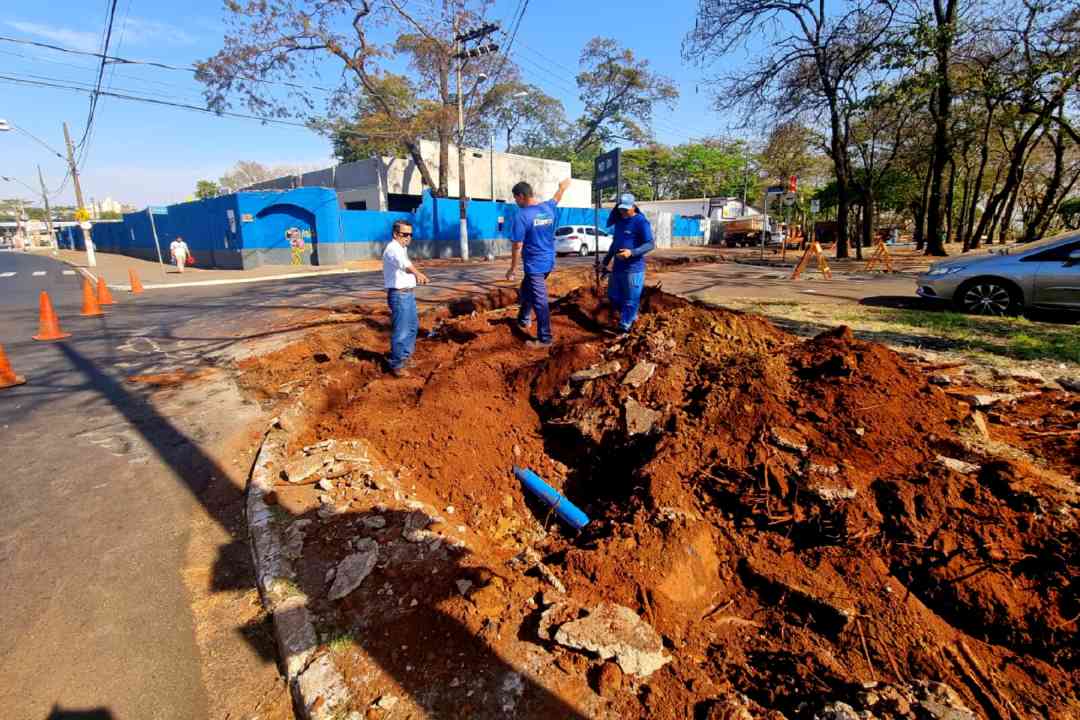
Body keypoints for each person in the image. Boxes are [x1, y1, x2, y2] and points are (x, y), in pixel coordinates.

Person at [506, 177, 572, 348]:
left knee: (540, 300)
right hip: (549, 261)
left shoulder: (522, 216)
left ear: (521, 196)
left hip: (535, 265)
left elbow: (517, 245)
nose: (516, 202)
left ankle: (545, 338)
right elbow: (556, 198)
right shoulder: (546, 207)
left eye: (515, 198)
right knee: (526, 289)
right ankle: (523, 318)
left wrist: (512, 269)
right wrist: (562, 187)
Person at [382, 220, 429, 377]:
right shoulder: (392, 249)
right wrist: (417, 273)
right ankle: (397, 364)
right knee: (401, 331)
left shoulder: (402, 248)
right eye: (405, 234)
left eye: (410, 234)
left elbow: (405, 262)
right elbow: (404, 265)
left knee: (412, 327)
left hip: (408, 294)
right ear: (395, 234)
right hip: (399, 296)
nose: (408, 237)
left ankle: (405, 357)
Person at [602, 193, 654, 335]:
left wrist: (631, 252)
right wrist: (606, 261)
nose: (623, 211)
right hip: (618, 268)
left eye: (626, 209)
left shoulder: (640, 222)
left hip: (634, 269)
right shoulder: (619, 222)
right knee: (613, 295)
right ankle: (631, 316)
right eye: (621, 209)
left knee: (631, 299)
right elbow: (615, 244)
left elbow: (650, 244)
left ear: (633, 207)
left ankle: (624, 327)